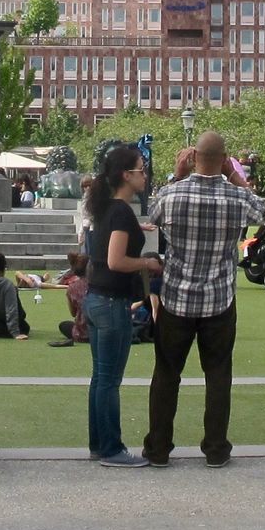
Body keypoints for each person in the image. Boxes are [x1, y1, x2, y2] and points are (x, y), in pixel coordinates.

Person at [143, 132, 263, 469]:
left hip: (176, 296)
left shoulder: (171, 194)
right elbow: (259, 212)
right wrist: (235, 175)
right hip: (219, 298)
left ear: (192, 156)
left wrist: (178, 174)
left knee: (166, 373)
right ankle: (215, 448)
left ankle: (158, 448)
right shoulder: (236, 197)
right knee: (218, 375)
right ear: (224, 159)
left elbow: (152, 216)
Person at [82, 144, 160, 467]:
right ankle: (112, 448)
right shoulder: (121, 212)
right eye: (141, 169)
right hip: (113, 301)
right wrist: (147, 264)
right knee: (110, 379)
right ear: (126, 175)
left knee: (100, 377)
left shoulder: (107, 209)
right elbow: (116, 260)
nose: (145, 175)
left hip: (96, 298)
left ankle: (99, 443)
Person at [48, 252, 91, 347]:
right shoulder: (99, 283)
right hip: (104, 328)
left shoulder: (72, 288)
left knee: (64, 325)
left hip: (83, 332)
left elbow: (73, 313)